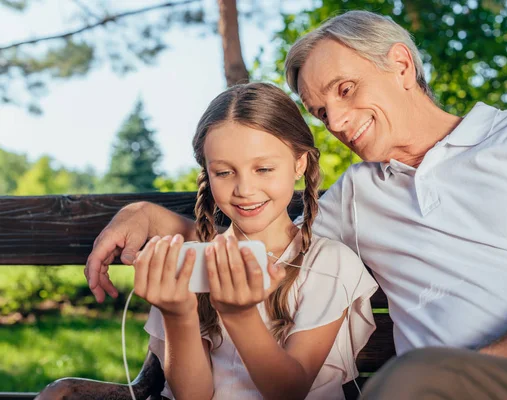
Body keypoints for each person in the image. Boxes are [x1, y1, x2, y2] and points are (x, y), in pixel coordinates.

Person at [86, 10, 507, 399]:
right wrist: (151, 217)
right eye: (320, 110)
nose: (335, 120)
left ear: (400, 64)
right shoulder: (357, 193)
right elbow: (260, 242)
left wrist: (463, 379)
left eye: (346, 89)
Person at [130, 82, 378, 399]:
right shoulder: (192, 263)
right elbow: (192, 396)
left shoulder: (328, 263)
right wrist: (178, 316)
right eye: (223, 172)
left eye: (263, 168)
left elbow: (289, 391)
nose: (244, 189)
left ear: (299, 163)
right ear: (207, 172)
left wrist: (239, 315)